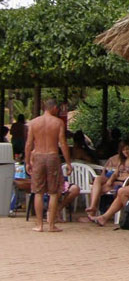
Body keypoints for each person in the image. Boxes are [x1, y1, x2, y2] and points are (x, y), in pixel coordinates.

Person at [25, 99, 72, 232]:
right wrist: (68, 162)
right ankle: (51, 225)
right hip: (52, 156)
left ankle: (39, 225)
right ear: (54, 108)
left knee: (38, 192)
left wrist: (28, 161)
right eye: (57, 109)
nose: (58, 111)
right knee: (53, 192)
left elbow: (29, 144)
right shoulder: (58, 122)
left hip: (38, 156)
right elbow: (63, 144)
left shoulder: (33, 123)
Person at [85, 140, 129, 217]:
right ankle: (93, 206)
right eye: (123, 150)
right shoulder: (122, 160)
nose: (126, 151)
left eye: (127, 149)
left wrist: (116, 178)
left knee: (97, 189)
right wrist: (111, 179)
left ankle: (92, 212)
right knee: (98, 179)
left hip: (125, 182)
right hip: (117, 179)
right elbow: (115, 173)